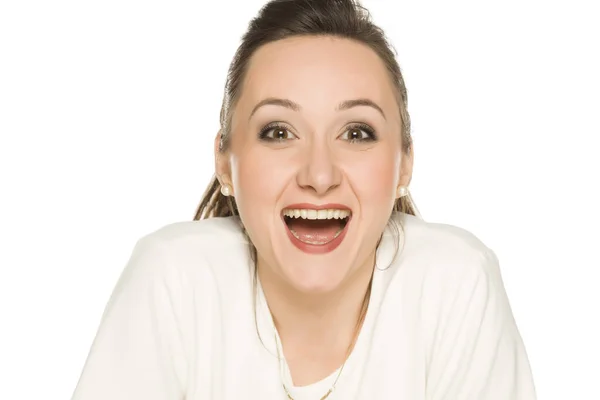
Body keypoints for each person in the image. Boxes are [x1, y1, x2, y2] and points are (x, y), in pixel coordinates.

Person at [72, 0, 537, 398]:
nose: (319, 174)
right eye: (278, 132)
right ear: (224, 159)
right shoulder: (174, 277)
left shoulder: (455, 283)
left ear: (405, 163)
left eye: (357, 133)